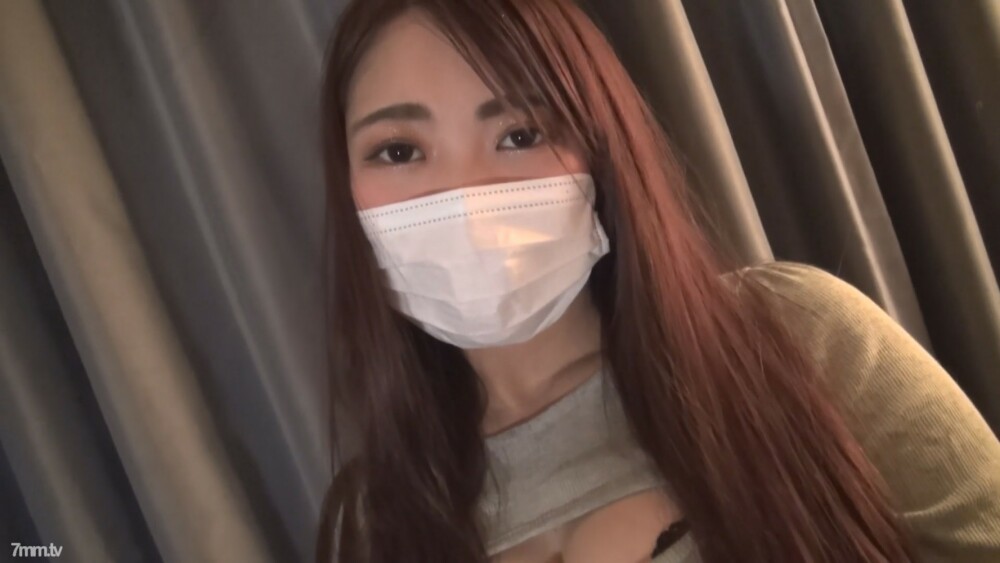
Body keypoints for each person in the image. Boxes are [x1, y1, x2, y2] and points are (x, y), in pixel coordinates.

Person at [315, 1, 1000, 561]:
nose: (465, 197)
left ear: (598, 151)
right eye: (398, 151)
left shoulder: (797, 334)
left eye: (521, 135)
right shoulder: (370, 522)